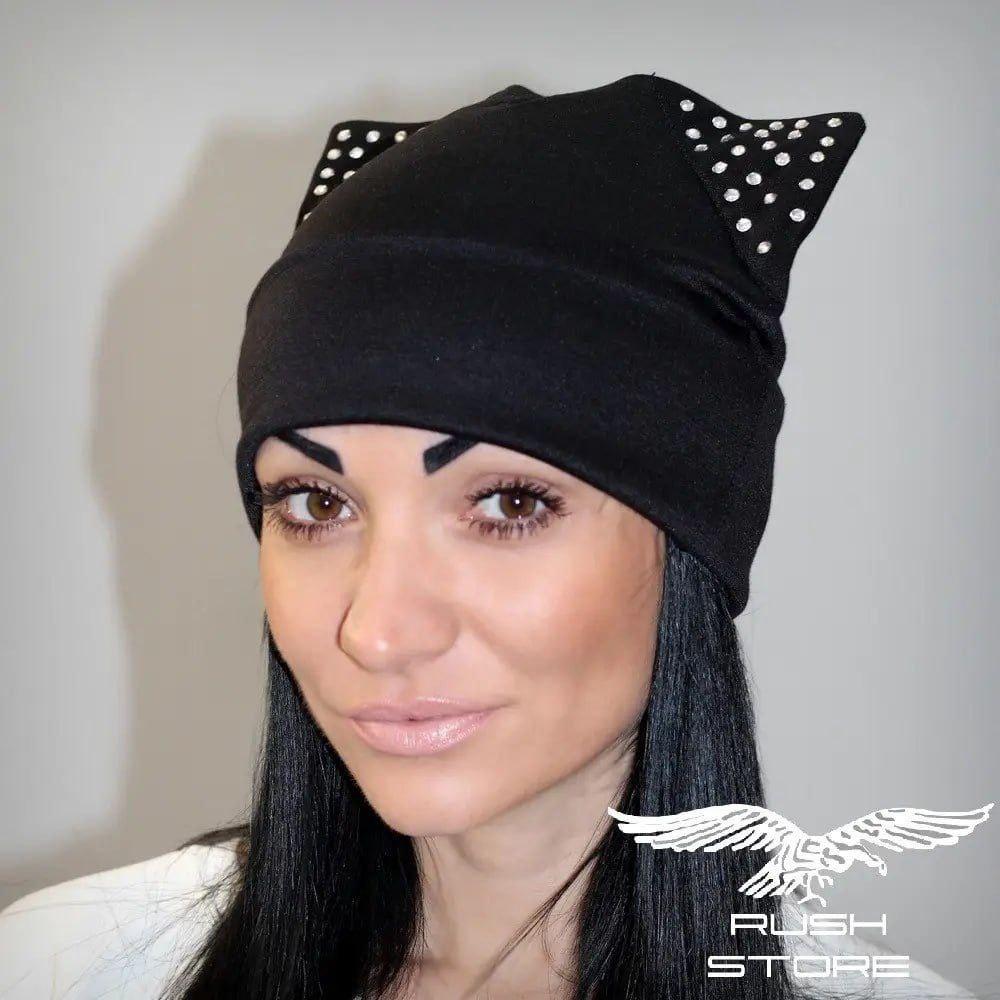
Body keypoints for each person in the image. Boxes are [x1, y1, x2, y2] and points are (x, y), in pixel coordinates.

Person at [0, 74, 983, 1000]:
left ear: (690, 546)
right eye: (316, 504)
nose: (377, 632)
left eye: (509, 505)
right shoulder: (70, 965)